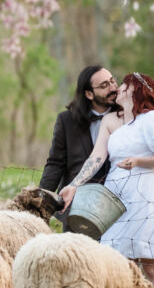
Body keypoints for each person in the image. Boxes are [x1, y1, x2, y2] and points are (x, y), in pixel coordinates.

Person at [58, 73, 154, 288]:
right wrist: (74, 185)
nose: (117, 87)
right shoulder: (113, 122)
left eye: (123, 84)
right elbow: (97, 156)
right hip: (116, 198)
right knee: (119, 261)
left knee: (151, 263)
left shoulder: (150, 120)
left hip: (144, 196)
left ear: (134, 90)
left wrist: (140, 162)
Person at [39, 66, 120, 226]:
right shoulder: (67, 120)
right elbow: (55, 164)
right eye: (104, 86)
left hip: (118, 207)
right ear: (89, 94)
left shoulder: (127, 116)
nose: (113, 88)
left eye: (112, 81)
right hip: (76, 208)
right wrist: (42, 203)